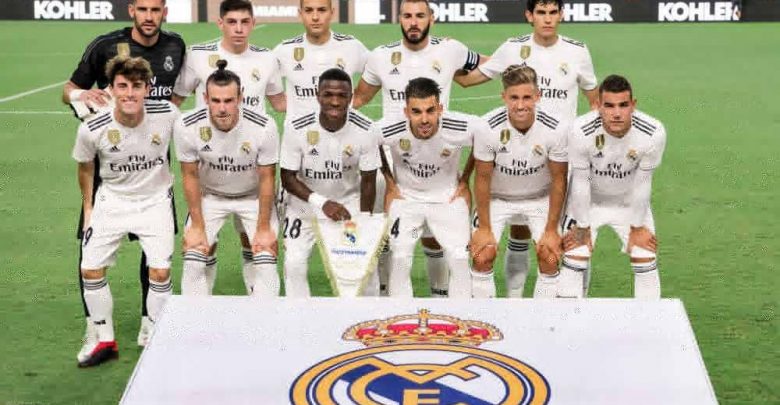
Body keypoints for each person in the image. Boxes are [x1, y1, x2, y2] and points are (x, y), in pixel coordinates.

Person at [61, 0, 185, 353]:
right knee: (90, 254)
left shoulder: (176, 45)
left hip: (152, 161)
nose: (149, 16)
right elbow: (68, 90)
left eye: (155, 10)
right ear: (132, 10)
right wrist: (83, 95)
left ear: (164, 12)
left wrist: (156, 121)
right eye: (142, 9)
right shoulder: (105, 45)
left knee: (156, 255)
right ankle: (95, 329)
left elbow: (177, 96)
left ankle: (151, 322)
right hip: (110, 168)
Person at [459, 0, 599, 297]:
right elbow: (469, 80)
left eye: (553, 13)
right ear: (529, 16)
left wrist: (592, 146)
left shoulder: (577, 51)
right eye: (541, 13)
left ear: (561, 15)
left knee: (570, 239)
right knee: (518, 231)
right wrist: (451, 57)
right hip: (515, 154)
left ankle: (577, 301)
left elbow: (594, 103)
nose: (547, 19)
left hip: (562, 160)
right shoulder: (513, 48)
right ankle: (515, 300)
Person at [353, 0, 485, 298]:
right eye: (408, 16)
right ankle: (386, 297)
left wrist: (467, 76)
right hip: (395, 158)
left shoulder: (449, 50)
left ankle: (442, 297)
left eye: (420, 16)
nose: (414, 21)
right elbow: (359, 99)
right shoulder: (380, 56)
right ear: (399, 19)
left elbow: (488, 66)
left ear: (431, 19)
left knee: (441, 243)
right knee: (390, 241)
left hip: (440, 151)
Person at [172, 0, 285, 293]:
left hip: (251, 169)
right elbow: (176, 101)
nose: (238, 29)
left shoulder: (267, 60)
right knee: (199, 250)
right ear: (220, 23)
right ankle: (198, 313)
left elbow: (280, 103)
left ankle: (261, 310)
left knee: (257, 245)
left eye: (244, 22)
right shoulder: (198, 56)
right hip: (211, 173)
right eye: (232, 22)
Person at [72, 56, 179, 367]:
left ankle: (156, 336)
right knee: (90, 270)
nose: (129, 93)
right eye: (122, 86)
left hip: (155, 201)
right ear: (112, 89)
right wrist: (89, 208)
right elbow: (85, 168)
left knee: (160, 272)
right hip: (113, 201)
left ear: (148, 89)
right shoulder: (92, 127)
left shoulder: (168, 114)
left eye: (136, 86)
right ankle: (104, 340)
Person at [378, 77, 486, 298]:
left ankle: (458, 315)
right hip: (406, 199)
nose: (424, 119)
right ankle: (401, 314)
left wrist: (465, 179)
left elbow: (484, 136)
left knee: (459, 259)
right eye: (416, 112)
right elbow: (371, 141)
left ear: (440, 109)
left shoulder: (461, 126)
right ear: (406, 112)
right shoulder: (389, 128)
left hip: (448, 199)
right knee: (400, 259)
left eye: (430, 110)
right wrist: (389, 182)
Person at [562, 75, 667, 299]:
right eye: (609, 106)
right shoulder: (580, 130)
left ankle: (648, 317)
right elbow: (580, 180)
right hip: (588, 202)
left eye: (623, 105)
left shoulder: (653, 132)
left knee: (645, 255)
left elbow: (643, 182)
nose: (616, 113)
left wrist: (637, 227)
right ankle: (569, 317)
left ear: (633, 105)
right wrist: (582, 226)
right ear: (598, 106)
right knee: (575, 254)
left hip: (630, 203)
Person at [470, 65, 569, 299]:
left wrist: (551, 230)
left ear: (538, 96)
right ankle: (487, 315)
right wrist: (484, 229)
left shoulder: (556, 128)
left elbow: (559, 180)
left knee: (549, 255)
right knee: (482, 255)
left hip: (539, 198)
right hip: (497, 199)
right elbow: (482, 179)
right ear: (504, 97)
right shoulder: (486, 126)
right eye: (514, 98)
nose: (521, 105)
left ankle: (543, 316)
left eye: (527, 97)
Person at [280, 68, 379, 297]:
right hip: (304, 205)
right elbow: (287, 178)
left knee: (365, 265)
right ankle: (297, 313)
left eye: (342, 96)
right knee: (294, 263)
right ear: (317, 96)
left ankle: (368, 313)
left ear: (351, 97)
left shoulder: (367, 129)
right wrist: (322, 202)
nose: (335, 102)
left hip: (348, 204)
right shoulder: (296, 127)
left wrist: (363, 221)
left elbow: (368, 181)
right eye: (328, 95)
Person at [274, 0, 369, 119]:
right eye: (308, 10)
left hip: (339, 129)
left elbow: (376, 70)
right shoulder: (285, 49)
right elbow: (264, 76)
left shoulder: (351, 46)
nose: (315, 17)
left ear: (332, 13)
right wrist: (282, 104)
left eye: (322, 10)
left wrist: (359, 98)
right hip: (299, 130)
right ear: (300, 14)